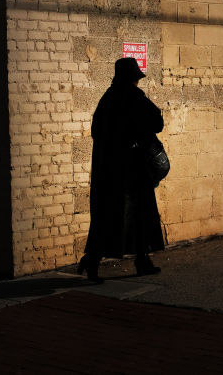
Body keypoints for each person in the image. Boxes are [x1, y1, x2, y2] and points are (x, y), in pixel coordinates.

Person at [77, 57, 165, 283]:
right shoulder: (134, 98)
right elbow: (157, 123)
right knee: (140, 215)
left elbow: (97, 132)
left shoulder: (106, 99)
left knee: (108, 217)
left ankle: (94, 262)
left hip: (108, 172)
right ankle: (137, 260)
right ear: (133, 79)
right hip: (132, 171)